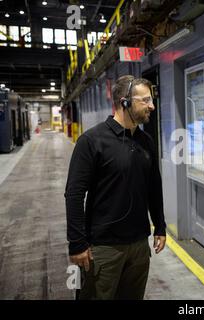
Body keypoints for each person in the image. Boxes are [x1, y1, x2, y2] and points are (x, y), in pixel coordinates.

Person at [65, 75, 166, 300]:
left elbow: (154, 186)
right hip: (103, 248)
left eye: (152, 100)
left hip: (139, 245)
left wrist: (159, 225)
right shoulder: (92, 141)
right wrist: (77, 243)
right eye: (145, 100)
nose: (152, 106)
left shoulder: (146, 141)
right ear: (125, 102)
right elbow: (74, 194)